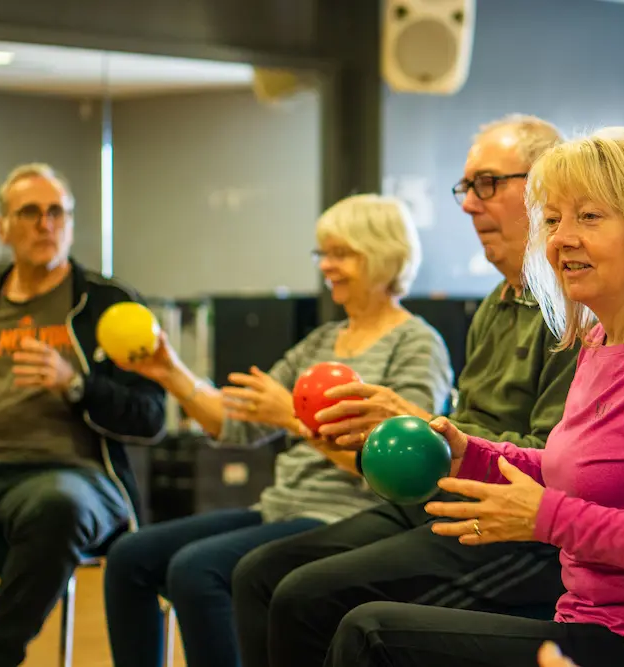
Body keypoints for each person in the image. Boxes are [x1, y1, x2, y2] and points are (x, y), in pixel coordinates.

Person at [322, 127, 624, 667]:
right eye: (553, 220)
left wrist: (550, 519)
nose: (561, 238)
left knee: (371, 633)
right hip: (583, 620)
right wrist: (478, 457)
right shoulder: (599, 340)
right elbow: (573, 473)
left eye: (589, 216)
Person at [230, 114, 581, 667]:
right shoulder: (496, 303)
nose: (468, 204)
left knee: (309, 598)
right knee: (258, 575)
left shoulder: (572, 310)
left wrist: (413, 420)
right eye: (466, 187)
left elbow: (547, 460)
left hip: (509, 528)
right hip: (441, 503)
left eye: (487, 184)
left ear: (544, 185)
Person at [102, 194, 453, 667]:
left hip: (350, 516)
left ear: (382, 255)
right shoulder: (322, 340)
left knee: (196, 570)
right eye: (322, 253)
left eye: (340, 254)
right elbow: (235, 424)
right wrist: (170, 372)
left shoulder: (417, 344)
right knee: (130, 556)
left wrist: (291, 416)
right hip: (282, 507)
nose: (326, 266)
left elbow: (408, 470)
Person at [0, 164, 166, 667]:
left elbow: (150, 416)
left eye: (57, 212)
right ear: (3, 227)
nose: (46, 224)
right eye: (30, 212)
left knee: (58, 505)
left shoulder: (108, 306)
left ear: (71, 223)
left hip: (70, 478)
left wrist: (74, 384)